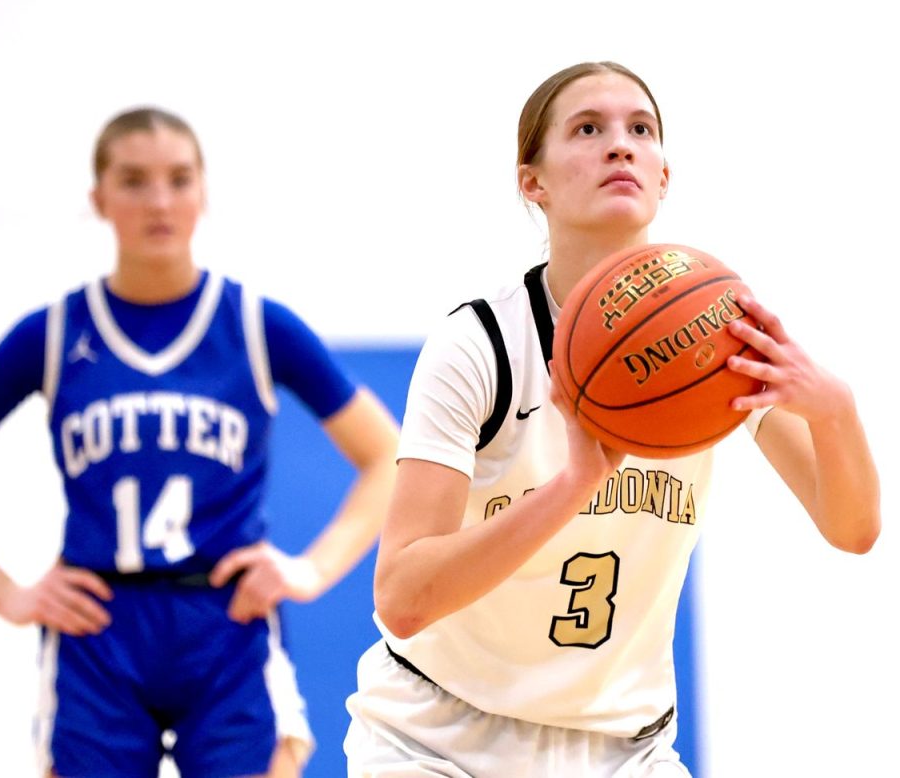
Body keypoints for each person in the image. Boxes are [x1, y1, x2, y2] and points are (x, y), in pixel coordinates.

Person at [343, 61, 881, 777]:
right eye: (588, 129)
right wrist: (571, 487)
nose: (620, 145)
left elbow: (852, 530)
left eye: (641, 130)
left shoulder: (717, 332)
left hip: (625, 747)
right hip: (440, 735)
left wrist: (835, 410)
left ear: (664, 175)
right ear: (532, 181)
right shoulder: (480, 343)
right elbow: (403, 598)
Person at [0, 106, 400, 778]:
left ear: (203, 193)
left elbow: (388, 458)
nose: (159, 200)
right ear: (100, 198)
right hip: (98, 628)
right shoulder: (50, 335)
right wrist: (7, 594)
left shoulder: (254, 323)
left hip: (224, 623)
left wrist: (310, 569)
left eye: (178, 179)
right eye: (134, 180)